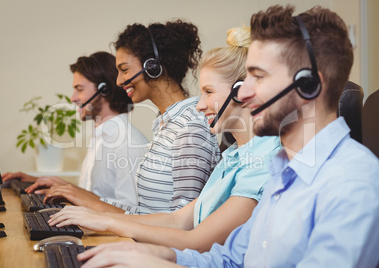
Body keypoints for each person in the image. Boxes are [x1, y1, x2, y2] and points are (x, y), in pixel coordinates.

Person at [72, 5, 379, 268]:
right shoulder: (284, 170)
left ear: (309, 84)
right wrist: (145, 253)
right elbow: (229, 260)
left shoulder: (352, 183)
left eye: (258, 77)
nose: (243, 92)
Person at [47, 26, 281, 252]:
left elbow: (194, 238)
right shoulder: (232, 157)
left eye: (208, 92)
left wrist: (106, 221)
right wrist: (96, 214)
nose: (199, 105)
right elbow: (176, 220)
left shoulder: (257, 159)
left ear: (243, 90)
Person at [29, 19, 221, 215]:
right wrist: (78, 196)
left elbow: (183, 224)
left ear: (152, 66)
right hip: (147, 240)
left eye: (124, 70)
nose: (119, 81)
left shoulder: (190, 127)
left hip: (160, 245)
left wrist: (93, 211)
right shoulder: (166, 125)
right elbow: (143, 212)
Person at [2, 51, 148, 210]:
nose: (73, 98)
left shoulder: (127, 143)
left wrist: (70, 190)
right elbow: (93, 196)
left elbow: (130, 213)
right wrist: (36, 182)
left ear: (104, 90)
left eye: (79, 89)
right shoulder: (102, 137)